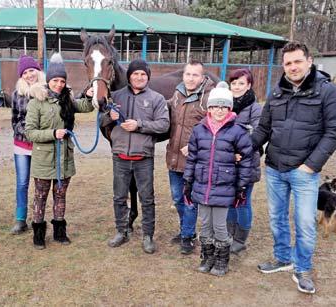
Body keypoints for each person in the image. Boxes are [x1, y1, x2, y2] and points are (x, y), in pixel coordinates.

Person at [252, 41, 336, 294]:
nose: (292, 67)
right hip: (274, 168)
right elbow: (263, 128)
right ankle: (283, 258)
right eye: (288, 63)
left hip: (304, 172)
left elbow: (335, 131)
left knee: (305, 222)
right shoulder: (277, 92)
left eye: (297, 61)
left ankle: (302, 268)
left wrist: (311, 165)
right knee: (276, 217)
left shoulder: (327, 92)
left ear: (309, 61)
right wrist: (245, 147)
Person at [183, 81, 253, 276]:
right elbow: (192, 159)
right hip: (202, 186)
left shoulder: (237, 131)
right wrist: (188, 182)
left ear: (229, 108)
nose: (219, 110)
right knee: (205, 224)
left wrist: (241, 187)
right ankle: (208, 257)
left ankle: (222, 260)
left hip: (224, 187)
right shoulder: (199, 130)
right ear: (209, 108)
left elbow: (246, 160)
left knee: (220, 226)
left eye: (224, 106)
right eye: (215, 106)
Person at [25, 53, 94, 250]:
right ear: (48, 81)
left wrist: (88, 96)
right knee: (40, 196)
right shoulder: (36, 102)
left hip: (64, 157)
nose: (59, 84)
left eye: (62, 81)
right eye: (55, 80)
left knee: (60, 195)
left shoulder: (67, 100)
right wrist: (53, 133)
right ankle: (38, 234)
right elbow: (30, 132)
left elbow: (85, 107)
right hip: (44, 159)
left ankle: (59, 232)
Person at [105, 59, 170, 254]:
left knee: (147, 198)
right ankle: (121, 231)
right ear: (129, 76)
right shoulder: (115, 96)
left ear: (147, 77)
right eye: (135, 74)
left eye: (143, 74)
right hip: (120, 156)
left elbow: (164, 124)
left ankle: (148, 235)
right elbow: (101, 119)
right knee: (119, 197)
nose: (139, 77)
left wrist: (139, 125)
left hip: (143, 157)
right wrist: (110, 116)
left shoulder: (157, 98)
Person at [166, 59, 215, 255]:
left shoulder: (209, 99)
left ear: (202, 77)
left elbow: (214, 128)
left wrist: (195, 146)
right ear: (183, 75)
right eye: (188, 74)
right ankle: (185, 229)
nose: (191, 78)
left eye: (195, 75)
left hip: (195, 161)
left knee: (189, 200)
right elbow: (164, 110)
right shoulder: (177, 94)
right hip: (174, 157)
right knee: (177, 198)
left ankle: (187, 236)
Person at [226, 68, 262, 255]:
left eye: (241, 83)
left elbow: (257, 134)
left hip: (246, 164)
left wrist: (237, 149)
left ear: (248, 85)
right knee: (230, 200)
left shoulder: (255, 108)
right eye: (234, 83)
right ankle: (229, 233)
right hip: (227, 163)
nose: (237, 87)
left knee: (243, 201)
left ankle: (240, 239)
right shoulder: (225, 105)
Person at [10, 55, 46, 235]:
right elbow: (15, 119)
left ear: (38, 71)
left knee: (41, 183)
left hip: (42, 145)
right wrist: (27, 132)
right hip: (22, 145)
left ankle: (38, 216)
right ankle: (20, 218)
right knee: (22, 182)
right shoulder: (18, 94)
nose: (29, 74)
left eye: (32, 70)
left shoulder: (48, 91)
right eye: (25, 72)